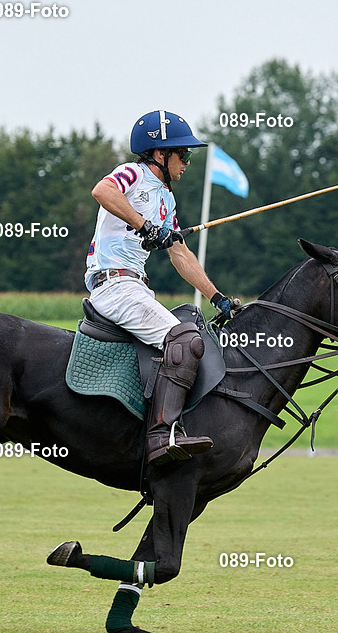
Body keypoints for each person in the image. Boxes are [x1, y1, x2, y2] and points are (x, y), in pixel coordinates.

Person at [85, 110, 237, 465]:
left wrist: (218, 298)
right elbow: (102, 190)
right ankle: (160, 436)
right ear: (159, 153)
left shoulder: (167, 200)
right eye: (182, 154)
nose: (186, 162)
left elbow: (180, 253)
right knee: (184, 340)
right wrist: (145, 225)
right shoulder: (132, 174)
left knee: (190, 334)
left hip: (136, 287)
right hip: (113, 283)